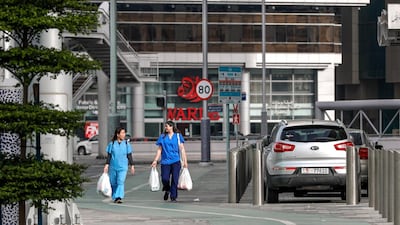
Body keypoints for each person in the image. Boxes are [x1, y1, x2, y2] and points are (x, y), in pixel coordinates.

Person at [151, 120, 188, 202]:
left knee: (175, 179)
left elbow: (182, 149)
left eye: (167, 126)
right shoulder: (163, 136)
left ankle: (173, 196)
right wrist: (155, 160)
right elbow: (159, 150)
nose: (165, 128)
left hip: (176, 161)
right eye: (165, 126)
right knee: (165, 178)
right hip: (165, 161)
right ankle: (167, 189)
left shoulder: (178, 136)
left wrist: (185, 161)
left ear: (171, 127)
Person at [103, 127, 135, 203]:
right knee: (113, 182)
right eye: (122, 133)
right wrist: (107, 165)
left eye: (124, 133)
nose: (124, 135)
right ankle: (115, 196)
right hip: (113, 166)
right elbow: (109, 155)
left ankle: (119, 197)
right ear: (118, 134)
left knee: (120, 181)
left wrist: (132, 165)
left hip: (123, 167)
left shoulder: (127, 144)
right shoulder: (112, 144)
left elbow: (129, 155)